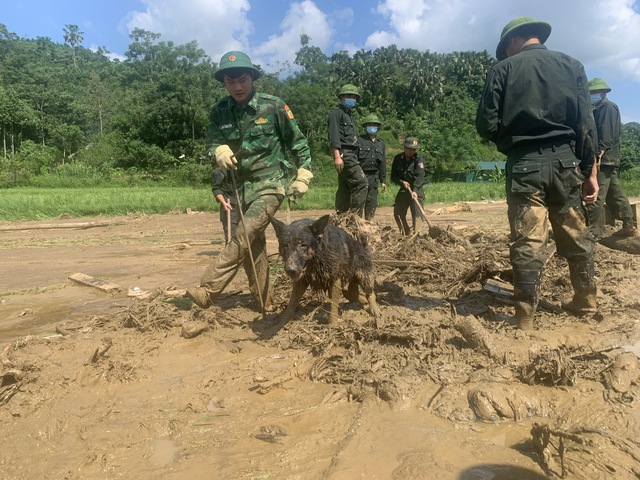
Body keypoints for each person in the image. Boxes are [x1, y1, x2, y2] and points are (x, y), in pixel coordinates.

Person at [475, 17, 599, 331]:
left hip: (524, 165)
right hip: (566, 163)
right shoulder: (573, 65)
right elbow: (586, 126)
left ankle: (525, 316)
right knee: (575, 231)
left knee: (527, 240)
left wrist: (512, 140)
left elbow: (485, 125)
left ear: (512, 41)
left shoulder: (501, 70)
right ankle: (585, 300)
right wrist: (590, 172)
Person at [187, 51, 313, 311]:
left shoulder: (274, 105)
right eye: (230, 82)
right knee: (252, 249)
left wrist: (304, 173)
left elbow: (298, 141)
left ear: (252, 78)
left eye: (242, 79)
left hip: (270, 184)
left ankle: (207, 289)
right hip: (239, 188)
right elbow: (211, 141)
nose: (237, 86)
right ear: (224, 83)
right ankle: (265, 304)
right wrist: (218, 150)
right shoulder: (220, 111)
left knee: (243, 236)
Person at [585, 78, 637, 238]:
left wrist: (597, 158)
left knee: (595, 194)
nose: (591, 95)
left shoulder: (607, 108)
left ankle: (589, 231)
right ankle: (629, 225)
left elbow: (605, 138)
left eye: (593, 93)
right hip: (608, 158)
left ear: (602, 93)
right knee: (614, 193)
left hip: (604, 158)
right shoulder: (597, 108)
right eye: (590, 93)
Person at [328, 84, 368, 215]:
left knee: (345, 187)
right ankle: (353, 217)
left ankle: (341, 215)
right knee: (361, 183)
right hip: (344, 154)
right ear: (341, 98)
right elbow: (334, 135)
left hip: (351, 154)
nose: (352, 99)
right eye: (348, 96)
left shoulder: (348, 115)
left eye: (354, 97)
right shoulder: (336, 113)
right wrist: (337, 156)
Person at [391, 137, 425, 235]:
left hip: (416, 189)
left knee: (417, 213)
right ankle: (405, 232)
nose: (411, 151)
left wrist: (414, 190)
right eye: (409, 149)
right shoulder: (398, 158)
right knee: (398, 212)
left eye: (414, 149)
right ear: (405, 148)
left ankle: (418, 234)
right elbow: (394, 176)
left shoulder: (419, 160)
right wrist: (402, 182)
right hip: (404, 188)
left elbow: (420, 177)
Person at [357, 114, 387, 220]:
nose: (372, 126)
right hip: (361, 176)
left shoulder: (381, 144)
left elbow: (382, 163)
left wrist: (383, 180)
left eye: (374, 124)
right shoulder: (359, 140)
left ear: (378, 127)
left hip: (374, 177)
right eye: (370, 124)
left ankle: (369, 226)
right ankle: (357, 226)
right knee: (359, 202)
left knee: (372, 204)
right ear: (365, 126)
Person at [211, 167, 235, 244]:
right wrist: (224, 202)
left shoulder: (241, 169)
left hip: (243, 205)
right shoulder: (219, 172)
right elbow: (216, 189)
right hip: (229, 206)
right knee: (231, 233)